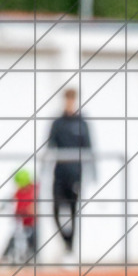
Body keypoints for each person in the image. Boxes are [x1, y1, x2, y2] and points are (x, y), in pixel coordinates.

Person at [47, 87, 92, 253]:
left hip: (75, 175)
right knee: (56, 210)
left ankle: (70, 249)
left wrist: (92, 174)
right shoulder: (57, 124)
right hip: (59, 174)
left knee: (73, 213)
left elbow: (89, 148)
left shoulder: (82, 123)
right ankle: (66, 242)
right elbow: (50, 147)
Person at [0, 168, 38, 263]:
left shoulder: (34, 189)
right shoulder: (19, 192)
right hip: (21, 221)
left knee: (32, 238)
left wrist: (31, 210)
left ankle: (31, 255)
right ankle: (5, 256)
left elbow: (34, 206)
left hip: (31, 222)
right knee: (14, 237)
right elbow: (11, 198)